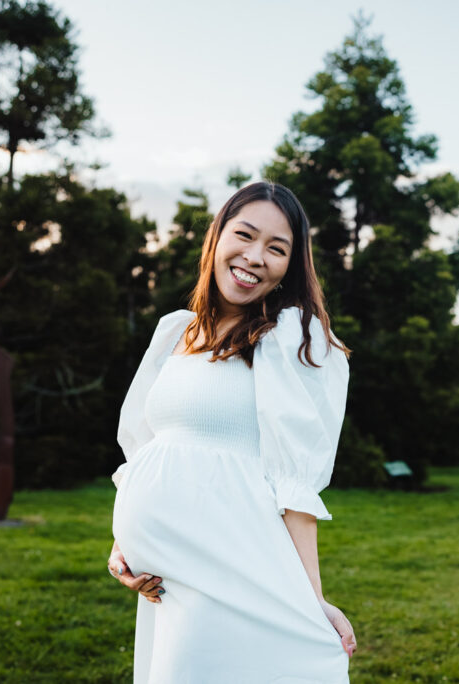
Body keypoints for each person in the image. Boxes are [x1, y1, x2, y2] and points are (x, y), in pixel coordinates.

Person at [106, 181, 357, 683]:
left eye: (277, 249)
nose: (256, 256)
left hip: (234, 567)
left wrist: (312, 599)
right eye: (244, 235)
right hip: (168, 578)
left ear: (292, 266)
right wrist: (122, 544)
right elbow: (148, 452)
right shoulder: (175, 331)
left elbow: (295, 483)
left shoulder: (293, 337)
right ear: (216, 237)